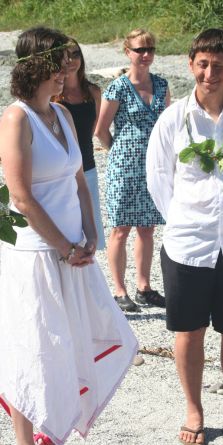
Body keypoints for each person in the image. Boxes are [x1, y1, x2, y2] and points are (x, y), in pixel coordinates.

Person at [0, 26, 137, 445]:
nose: (66, 71)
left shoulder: (60, 113)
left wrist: (91, 234)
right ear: (33, 65)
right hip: (36, 255)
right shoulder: (15, 117)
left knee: (72, 345)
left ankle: (52, 433)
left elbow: (80, 179)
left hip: (74, 251)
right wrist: (63, 246)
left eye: (67, 63)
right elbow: (21, 197)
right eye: (56, 64)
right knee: (34, 351)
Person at [146, 28, 223, 445]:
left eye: (219, 65)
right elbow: (159, 179)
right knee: (189, 331)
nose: (210, 74)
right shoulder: (174, 118)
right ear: (190, 65)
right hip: (187, 245)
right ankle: (194, 411)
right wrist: (187, 219)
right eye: (202, 65)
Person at [95, 28, 170, 312]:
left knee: (147, 228)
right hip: (124, 167)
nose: (146, 54)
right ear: (128, 52)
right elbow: (101, 130)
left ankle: (144, 286)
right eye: (140, 50)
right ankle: (120, 290)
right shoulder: (117, 87)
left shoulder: (161, 85)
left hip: (153, 166)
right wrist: (120, 150)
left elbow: (166, 125)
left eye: (150, 49)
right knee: (120, 229)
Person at [53, 37, 105, 250]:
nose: (71, 61)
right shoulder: (53, 95)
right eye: (65, 57)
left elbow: (93, 129)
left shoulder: (93, 92)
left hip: (88, 168)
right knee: (64, 228)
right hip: (61, 172)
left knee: (91, 234)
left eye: (75, 54)